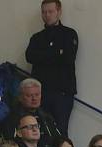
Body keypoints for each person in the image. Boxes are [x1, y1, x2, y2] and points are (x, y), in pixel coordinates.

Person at [26, 0, 78, 137]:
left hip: (62, 93)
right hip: (40, 94)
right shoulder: (37, 37)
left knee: (60, 133)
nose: (47, 15)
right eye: (44, 12)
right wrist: (56, 53)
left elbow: (68, 58)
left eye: (50, 11)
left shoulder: (69, 34)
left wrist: (43, 56)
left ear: (59, 12)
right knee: (39, 132)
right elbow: (30, 56)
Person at [4, 79, 62, 147]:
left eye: (37, 95)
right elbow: (11, 144)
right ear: (20, 97)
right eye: (29, 95)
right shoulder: (12, 118)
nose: (34, 98)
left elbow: (59, 141)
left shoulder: (47, 117)